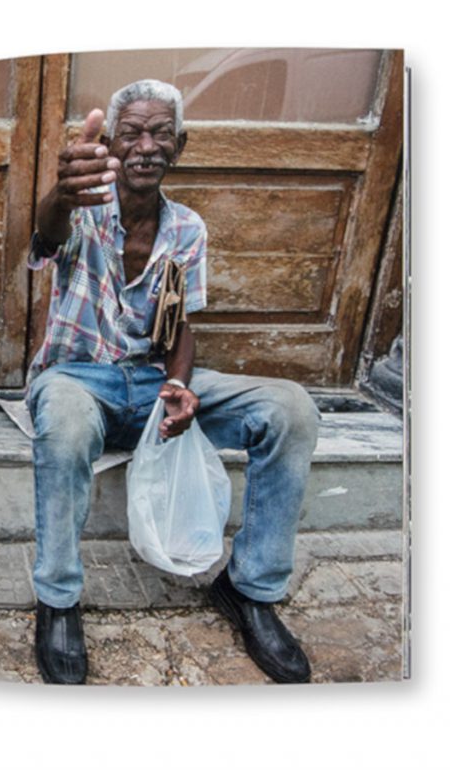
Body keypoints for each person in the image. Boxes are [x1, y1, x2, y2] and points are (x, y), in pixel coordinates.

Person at [27, 80, 320, 685]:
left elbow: (181, 322)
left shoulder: (187, 228)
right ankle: (57, 601)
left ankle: (250, 590)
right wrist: (61, 192)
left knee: (291, 407)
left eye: (161, 133)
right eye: (131, 132)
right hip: (80, 380)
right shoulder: (82, 205)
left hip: (155, 382)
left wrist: (182, 386)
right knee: (64, 423)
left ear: (179, 147)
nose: (146, 146)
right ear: (108, 144)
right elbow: (47, 235)